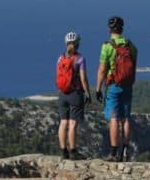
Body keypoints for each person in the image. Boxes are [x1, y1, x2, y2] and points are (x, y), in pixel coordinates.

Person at [95, 15, 137, 162]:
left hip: (113, 86)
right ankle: (125, 151)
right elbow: (134, 66)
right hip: (127, 86)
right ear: (122, 28)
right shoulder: (130, 45)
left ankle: (113, 153)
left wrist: (98, 89)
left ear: (109, 29)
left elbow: (102, 70)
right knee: (125, 119)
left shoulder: (107, 46)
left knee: (113, 118)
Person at [55, 31, 91, 160]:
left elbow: (58, 76)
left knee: (63, 122)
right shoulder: (80, 59)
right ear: (77, 44)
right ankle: (73, 152)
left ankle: (63, 151)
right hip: (75, 94)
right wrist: (87, 93)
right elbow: (83, 79)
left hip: (62, 94)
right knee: (73, 124)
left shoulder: (60, 58)